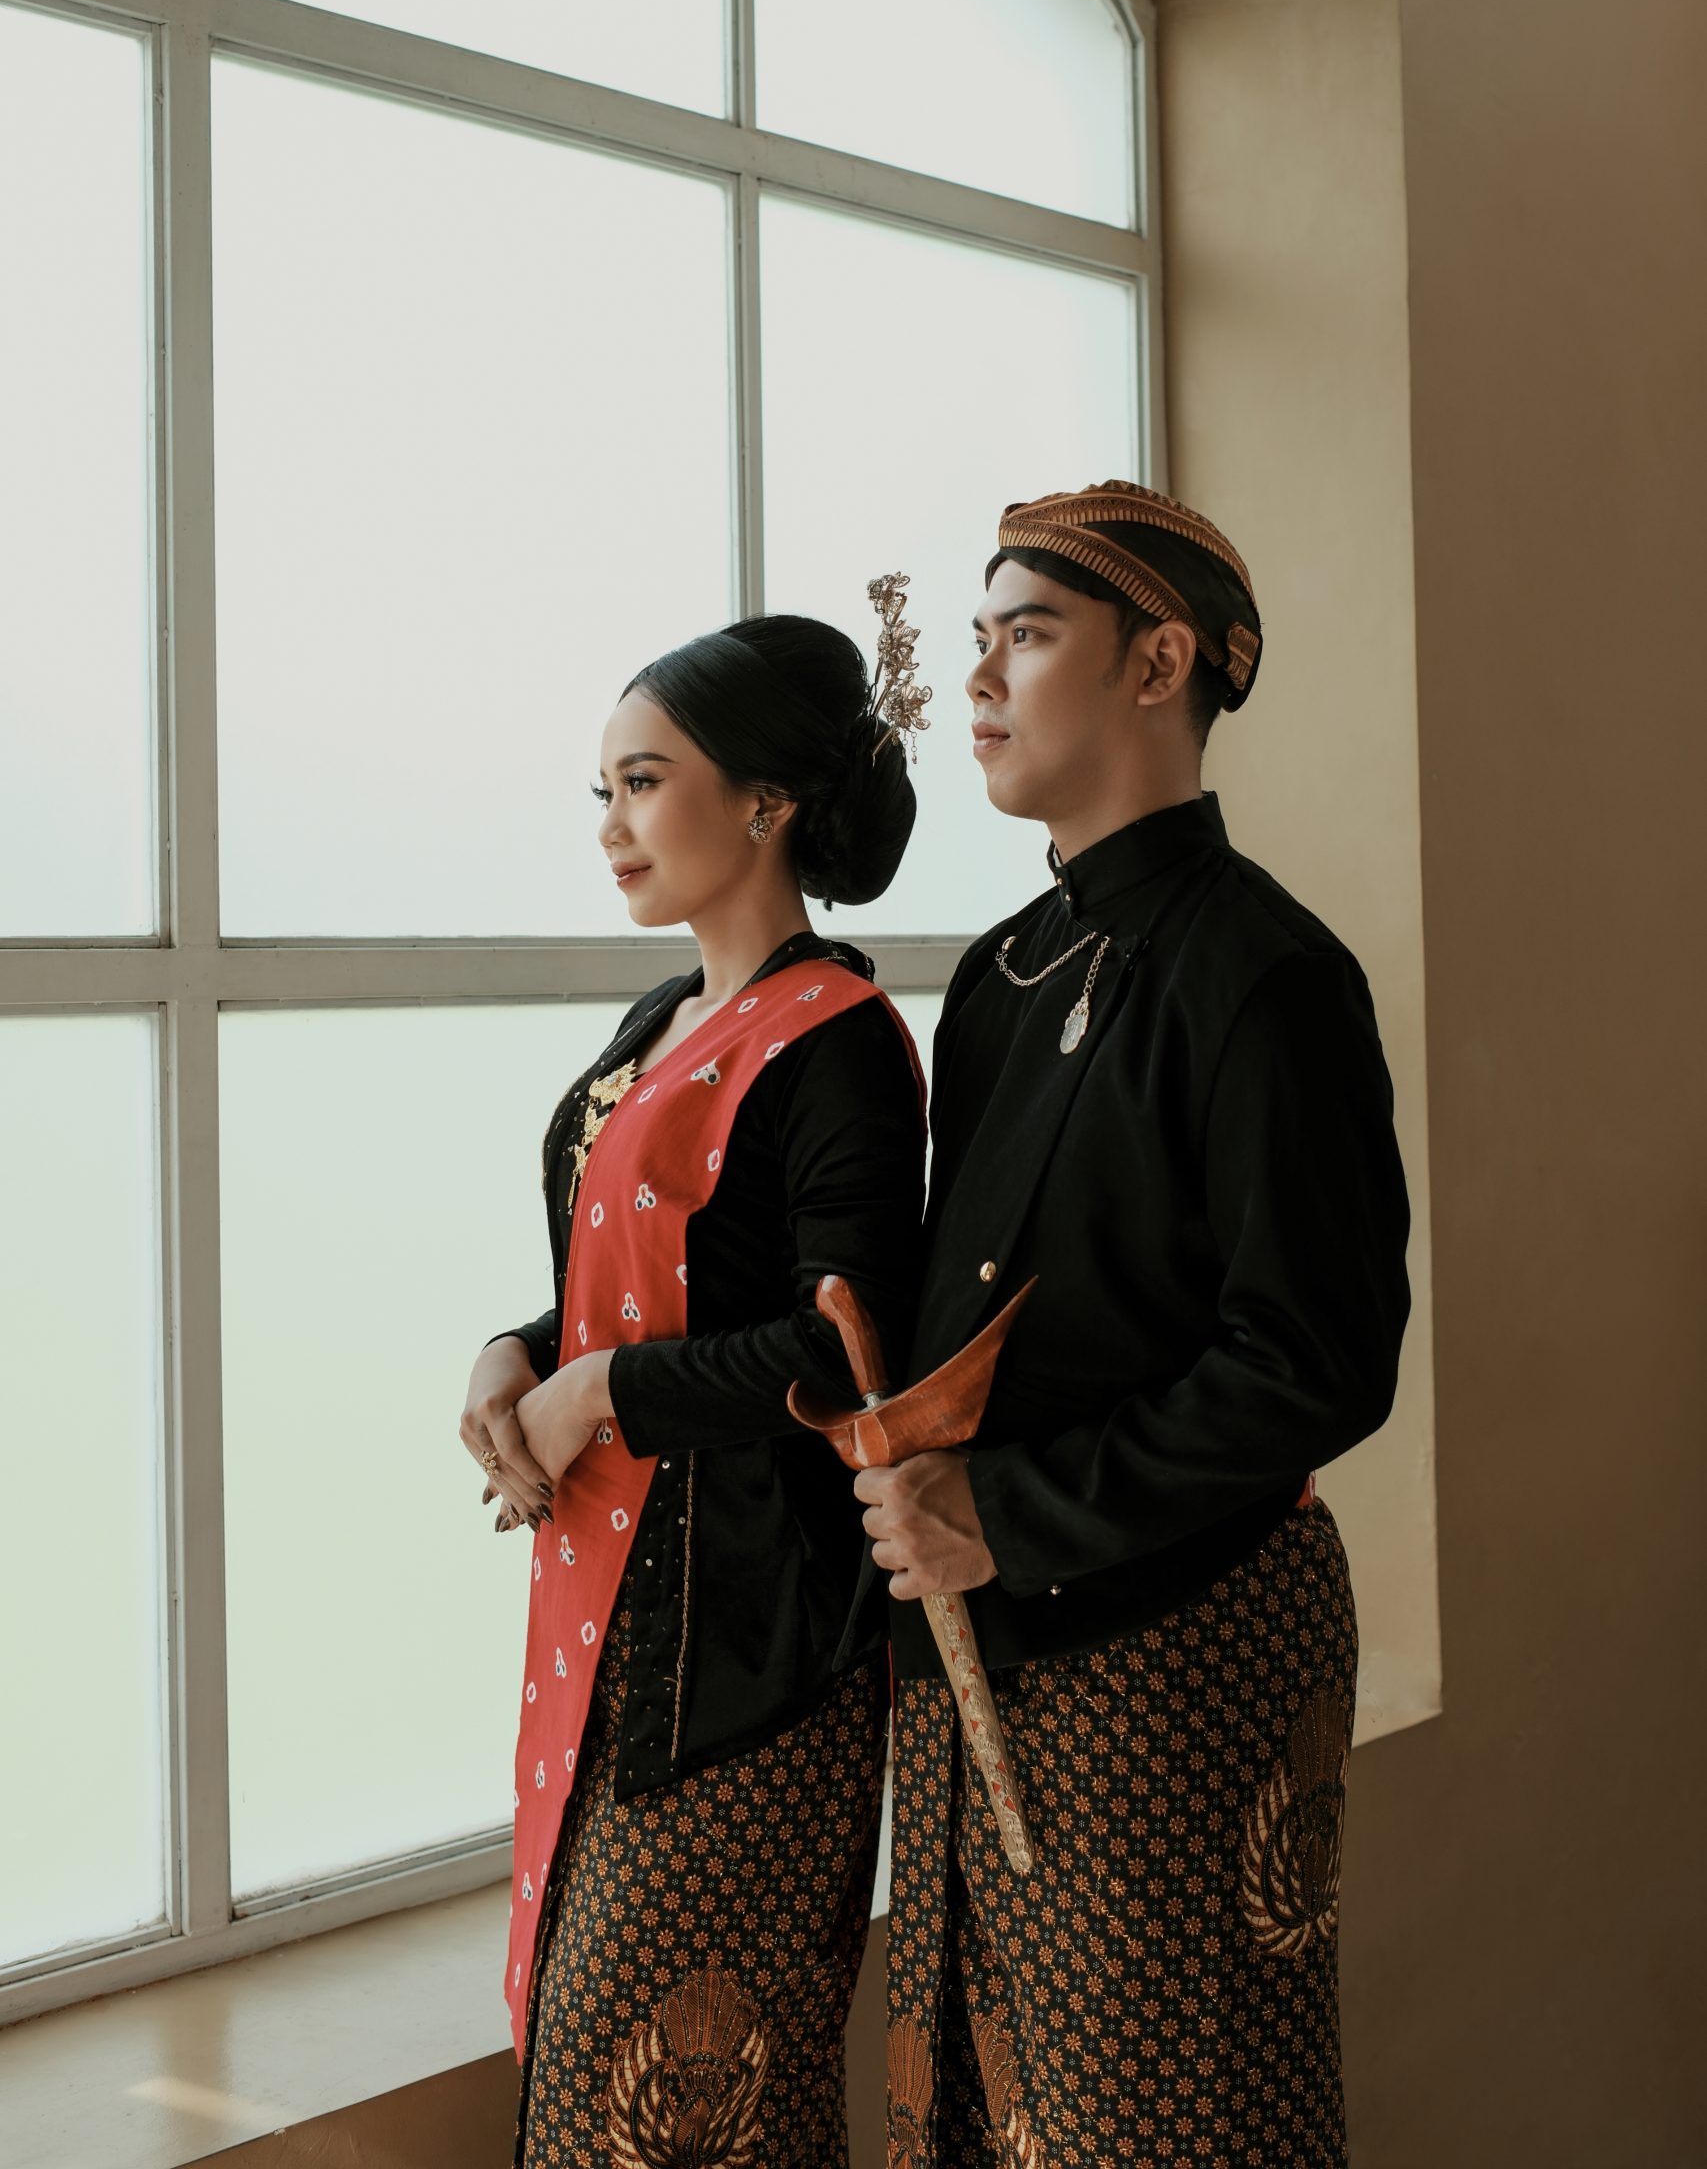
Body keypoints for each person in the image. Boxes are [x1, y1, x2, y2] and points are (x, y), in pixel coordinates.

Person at [855, 484, 1412, 2169]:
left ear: (1161, 663)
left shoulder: (1268, 972)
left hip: (1183, 1647)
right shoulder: (1001, 973)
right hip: (971, 1649)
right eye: (977, 638)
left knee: (1172, 2124)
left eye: (1027, 635)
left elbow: (1315, 1362)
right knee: (970, 2116)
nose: (979, 679)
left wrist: (1006, 1513)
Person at [459, 584, 931, 2168]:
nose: (612, 824)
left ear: (767, 801)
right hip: (611, 1631)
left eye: (646, 781)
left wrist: (598, 1393)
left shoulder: (840, 1040)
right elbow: (645, 1290)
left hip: (752, 1658)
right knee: (593, 2081)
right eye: (602, 789)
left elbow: (844, 1343)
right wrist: (520, 1351)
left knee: (673, 2102)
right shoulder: (664, 1018)